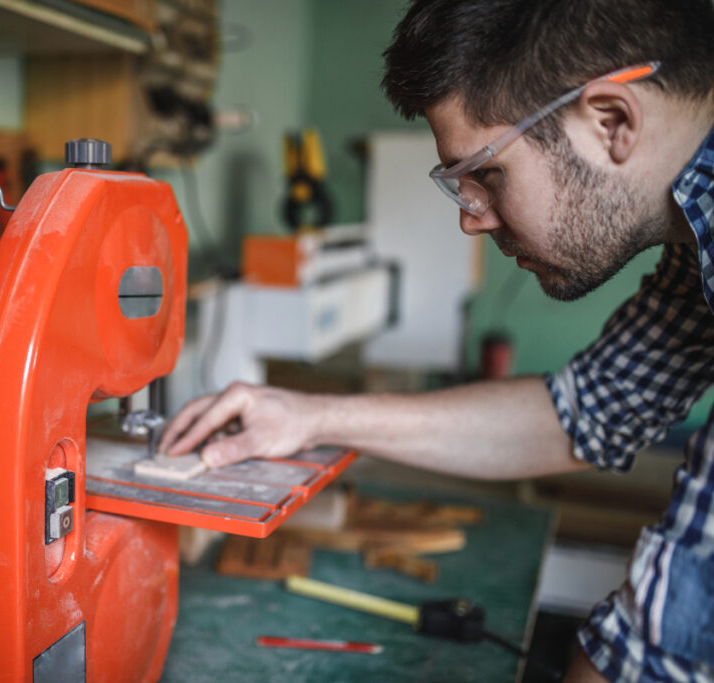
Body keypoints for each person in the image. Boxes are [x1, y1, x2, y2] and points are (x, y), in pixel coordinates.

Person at [158, 1, 714, 681]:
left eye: (487, 173)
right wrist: (313, 415)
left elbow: (664, 650)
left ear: (611, 121)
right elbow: (586, 411)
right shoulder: (697, 235)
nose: (471, 221)